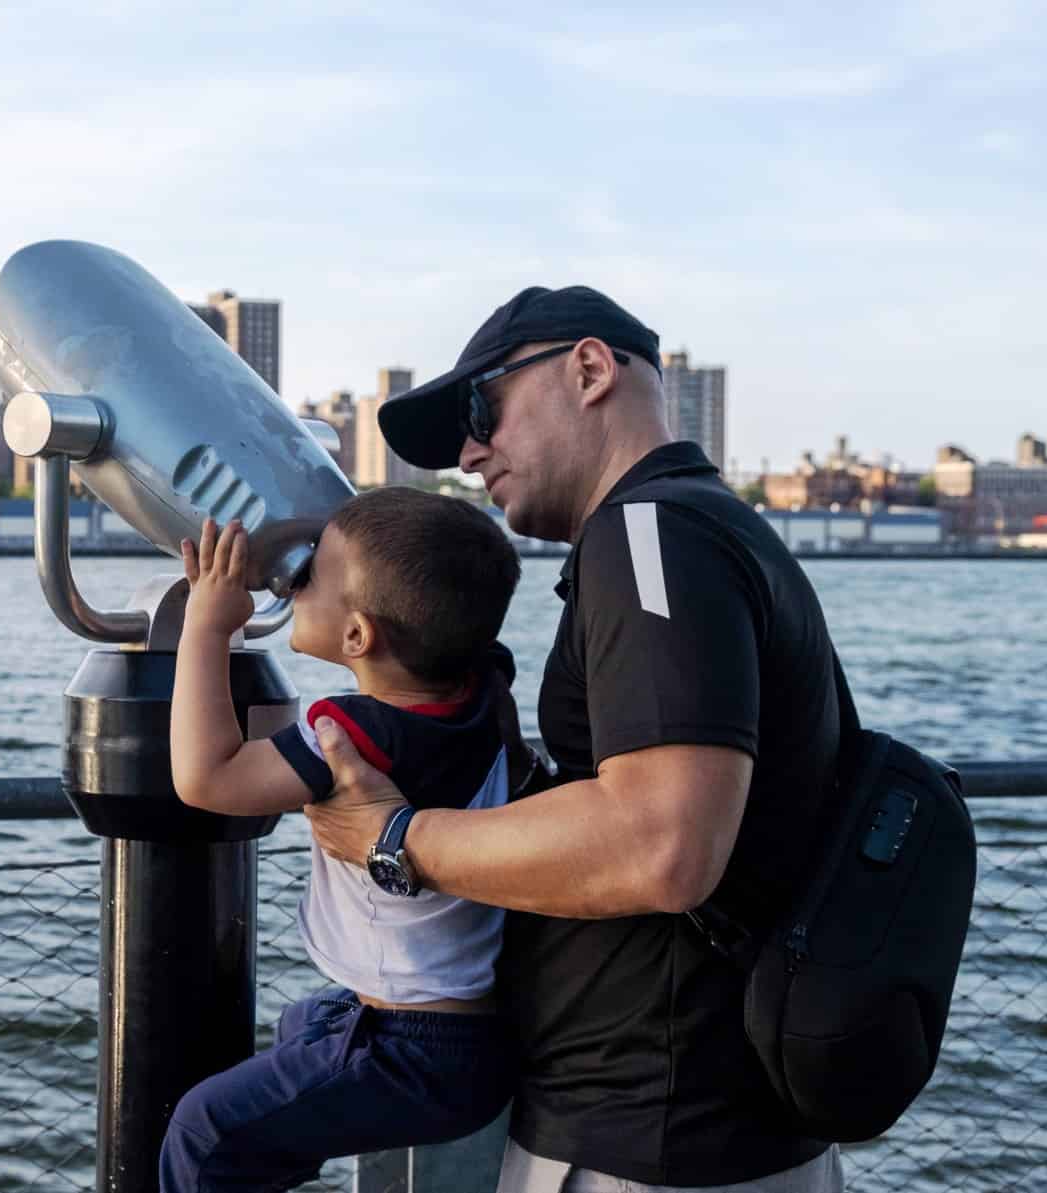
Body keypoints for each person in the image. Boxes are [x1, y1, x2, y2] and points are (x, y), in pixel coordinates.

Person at [303, 286, 849, 1191]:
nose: (469, 452)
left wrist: (391, 839)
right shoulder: (695, 527)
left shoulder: (650, 536)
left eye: (481, 410)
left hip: (651, 1138)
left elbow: (662, 844)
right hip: (694, 1125)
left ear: (589, 370)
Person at [159, 488, 528, 1192]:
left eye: (310, 574)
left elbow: (207, 778)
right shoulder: (483, 695)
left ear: (357, 637)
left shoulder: (353, 733)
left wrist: (206, 626)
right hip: (460, 1036)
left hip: (413, 1049)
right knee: (304, 1025)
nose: (294, 583)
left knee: (206, 1132)